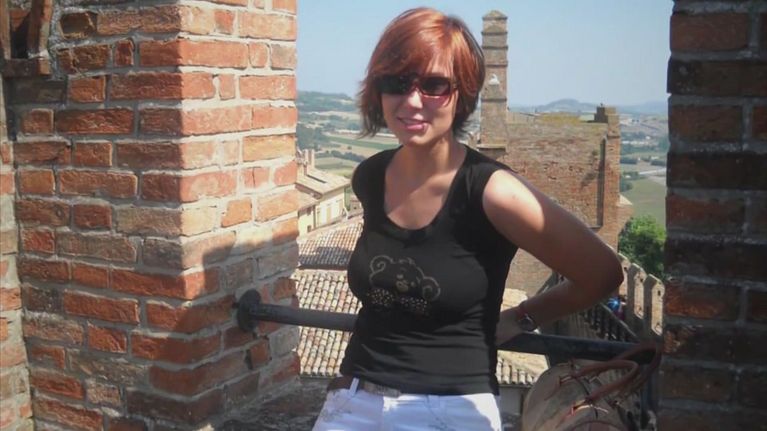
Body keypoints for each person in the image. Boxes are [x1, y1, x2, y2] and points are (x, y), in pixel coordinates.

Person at [312, 7, 624, 431]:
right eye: (396, 82)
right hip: (354, 398)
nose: (412, 100)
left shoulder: (493, 192)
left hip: (450, 408)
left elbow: (601, 272)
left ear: (462, 93)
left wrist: (521, 317)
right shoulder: (371, 176)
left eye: (433, 85)